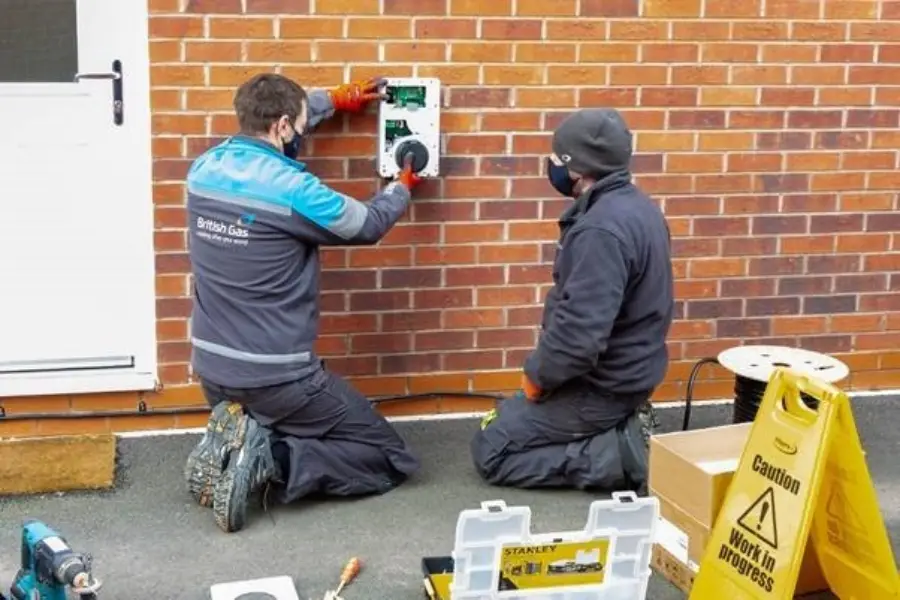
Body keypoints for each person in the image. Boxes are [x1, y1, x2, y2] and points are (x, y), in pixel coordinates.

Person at [182, 73, 424, 533]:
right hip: (277, 379)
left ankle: (238, 440)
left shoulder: (204, 169)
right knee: (388, 458)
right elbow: (367, 224)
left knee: (292, 425)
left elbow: (275, 121)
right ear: (283, 127)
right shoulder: (295, 190)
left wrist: (334, 101)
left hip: (212, 372)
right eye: (299, 124)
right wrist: (402, 186)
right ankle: (268, 462)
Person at [470, 108, 674, 494]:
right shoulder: (639, 209)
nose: (550, 164)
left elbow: (579, 337)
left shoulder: (600, 230)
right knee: (501, 420)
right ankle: (620, 425)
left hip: (602, 386)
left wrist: (536, 379)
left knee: (492, 446)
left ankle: (621, 453)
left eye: (555, 157)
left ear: (575, 169)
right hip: (625, 374)